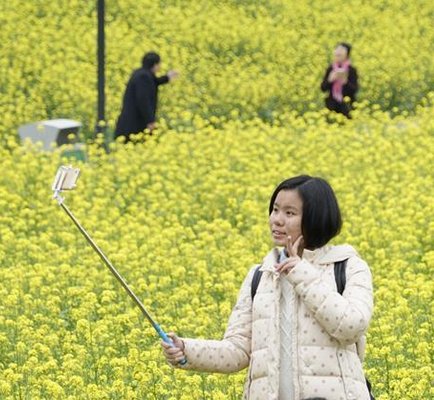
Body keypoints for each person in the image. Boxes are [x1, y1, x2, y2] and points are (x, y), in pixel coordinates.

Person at [161, 175, 374, 400]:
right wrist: (187, 350)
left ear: (315, 218)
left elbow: (351, 325)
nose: (277, 220)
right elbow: (239, 350)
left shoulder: (348, 266)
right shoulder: (260, 275)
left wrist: (301, 272)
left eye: (289, 213)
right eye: (275, 210)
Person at [114, 52, 178, 141]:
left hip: (132, 121)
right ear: (155, 65)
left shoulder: (141, 73)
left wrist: (167, 77)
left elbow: (154, 82)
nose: (159, 67)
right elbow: (143, 100)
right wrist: (150, 121)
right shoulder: (144, 77)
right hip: (135, 123)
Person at [320, 43, 359, 118]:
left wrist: (345, 82)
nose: (338, 54)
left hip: (348, 107)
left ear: (347, 55)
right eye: (337, 52)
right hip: (331, 106)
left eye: (340, 53)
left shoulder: (351, 70)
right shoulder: (331, 69)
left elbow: (354, 90)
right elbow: (323, 88)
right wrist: (330, 80)